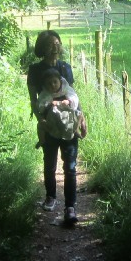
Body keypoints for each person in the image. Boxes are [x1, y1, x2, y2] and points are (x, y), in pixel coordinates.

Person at [26, 30, 83, 224]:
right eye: (50, 44)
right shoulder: (35, 70)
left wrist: (81, 116)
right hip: (49, 125)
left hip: (68, 124)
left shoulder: (65, 67)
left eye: (57, 42)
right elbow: (33, 99)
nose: (55, 46)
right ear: (42, 48)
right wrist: (39, 119)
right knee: (50, 164)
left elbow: (73, 94)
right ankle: (50, 196)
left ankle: (70, 207)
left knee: (70, 167)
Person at [35, 68, 80, 149]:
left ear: (60, 81)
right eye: (49, 83)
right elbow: (40, 105)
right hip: (51, 117)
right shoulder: (45, 93)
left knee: (79, 115)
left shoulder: (66, 89)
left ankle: (76, 130)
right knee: (40, 125)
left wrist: (69, 101)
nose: (53, 85)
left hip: (67, 113)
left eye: (55, 82)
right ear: (45, 85)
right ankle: (41, 139)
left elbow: (74, 97)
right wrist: (49, 103)